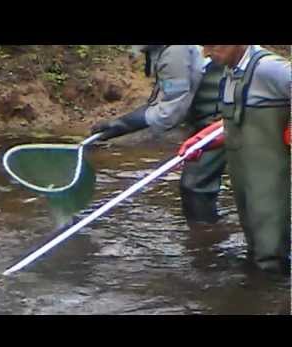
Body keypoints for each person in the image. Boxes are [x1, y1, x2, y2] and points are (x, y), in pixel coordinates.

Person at [178, 45, 291, 274]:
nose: (206, 53)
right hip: (246, 181)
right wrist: (206, 138)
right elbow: (241, 121)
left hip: (270, 181)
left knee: (270, 255)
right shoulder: (231, 71)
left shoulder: (268, 68)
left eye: (212, 45)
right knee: (257, 246)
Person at [91, 45, 226, 225]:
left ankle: (205, 244)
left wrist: (121, 125)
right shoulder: (164, 51)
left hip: (224, 118)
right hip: (209, 118)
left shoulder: (176, 52)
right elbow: (166, 98)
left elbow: (170, 111)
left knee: (195, 187)